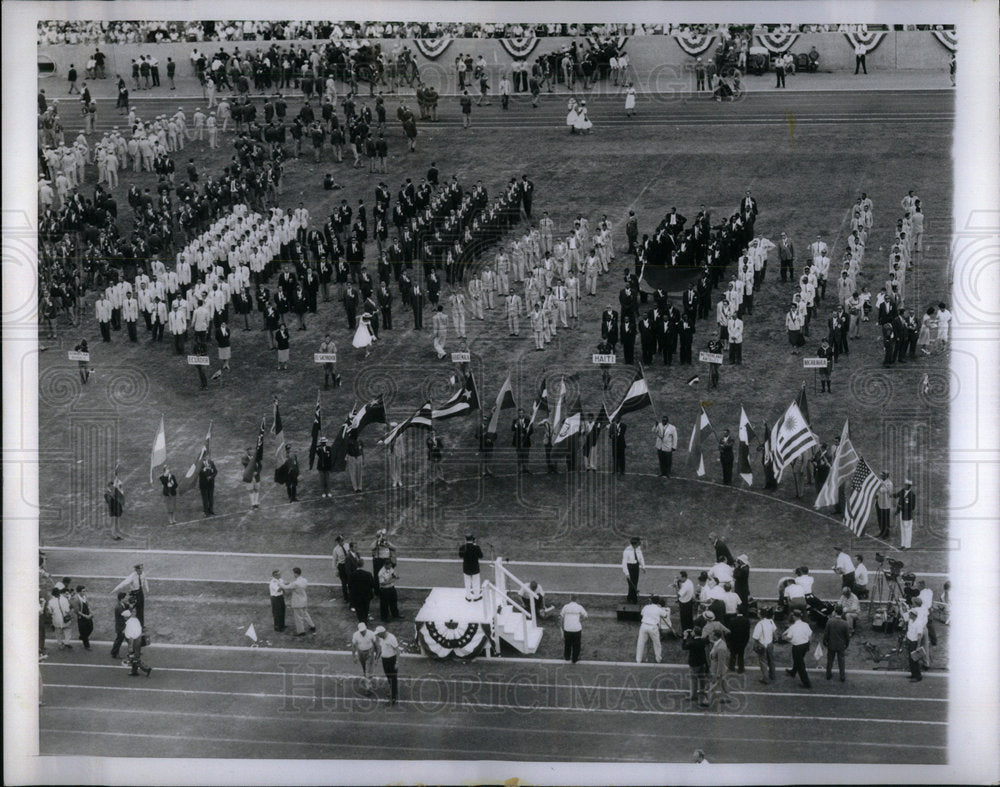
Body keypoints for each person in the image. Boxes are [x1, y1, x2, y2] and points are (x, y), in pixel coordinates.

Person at [280, 567, 316, 636]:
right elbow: (293, 584)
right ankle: (312, 626)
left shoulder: (295, 583)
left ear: (296, 574)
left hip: (297, 602)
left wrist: (280, 584)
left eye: (294, 573)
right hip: (304, 600)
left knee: (298, 618)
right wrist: (289, 583)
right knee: (305, 614)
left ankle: (301, 632)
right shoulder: (304, 580)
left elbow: (286, 587)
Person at [783, 610, 813, 688]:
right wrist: (809, 645)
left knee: (800, 664)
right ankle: (793, 672)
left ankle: (806, 683)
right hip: (805, 645)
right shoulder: (805, 624)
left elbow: (789, 637)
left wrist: (784, 638)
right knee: (798, 660)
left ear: (794, 616)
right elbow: (810, 635)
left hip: (797, 647)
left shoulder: (793, 627)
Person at [637, 595, 668, 663]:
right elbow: (665, 615)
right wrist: (661, 609)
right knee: (657, 643)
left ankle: (638, 659)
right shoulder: (658, 609)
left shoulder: (646, 607)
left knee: (641, 643)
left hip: (644, 625)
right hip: (653, 627)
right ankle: (658, 659)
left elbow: (642, 614)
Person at [823, 607, 851, 682]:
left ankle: (828, 674)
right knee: (841, 661)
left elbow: (826, 633)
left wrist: (825, 641)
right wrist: (847, 644)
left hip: (831, 644)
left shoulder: (830, 621)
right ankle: (842, 676)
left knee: (830, 660)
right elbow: (847, 636)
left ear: (835, 612)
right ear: (842, 613)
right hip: (841, 645)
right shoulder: (845, 623)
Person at [375, 626, 401, 705]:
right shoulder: (381, 638)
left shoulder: (391, 638)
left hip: (391, 660)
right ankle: (394, 692)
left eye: (378, 634)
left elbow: (398, 650)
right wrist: (377, 658)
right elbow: (380, 649)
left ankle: (393, 698)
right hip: (384, 660)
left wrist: (397, 662)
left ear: (382, 633)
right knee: (389, 677)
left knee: (393, 678)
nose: (377, 635)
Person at [751, 607, 777, 684]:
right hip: (770, 643)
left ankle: (765, 678)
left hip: (762, 644)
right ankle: (773, 675)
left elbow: (756, 637)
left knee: (763, 662)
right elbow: (774, 631)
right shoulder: (771, 621)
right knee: (771, 660)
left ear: (760, 615)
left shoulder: (759, 624)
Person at [123, 610, 152, 677]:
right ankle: (134, 671)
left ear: (126, 617)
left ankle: (146, 669)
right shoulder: (135, 620)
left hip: (134, 642)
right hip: (138, 640)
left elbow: (131, 637)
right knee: (134, 657)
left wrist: (130, 648)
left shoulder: (129, 624)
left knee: (134, 657)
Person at [559, 594, 587, 663]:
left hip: (567, 629)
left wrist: (561, 628)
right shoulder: (579, 607)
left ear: (570, 598)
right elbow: (586, 616)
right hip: (577, 629)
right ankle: (575, 658)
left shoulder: (565, 607)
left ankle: (567, 657)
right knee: (576, 645)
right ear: (577, 599)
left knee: (567, 644)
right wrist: (580, 620)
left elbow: (561, 618)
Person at [707, 629, 731, 707]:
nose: (710, 636)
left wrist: (718, 673)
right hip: (718, 668)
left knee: (713, 685)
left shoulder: (721, 648)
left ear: (715, 636)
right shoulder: (719, 643)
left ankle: (708, 700)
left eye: (712, 635)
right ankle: (728, 697)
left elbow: (721, 661)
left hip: (717, 669)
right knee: (723, 683)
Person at [352, 622, 378, 691]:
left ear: (366, 629)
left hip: (369, 651)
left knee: (368, 669)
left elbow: (375, 644)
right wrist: (354, 656)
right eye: (361, 631)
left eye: (363, 631)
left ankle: (368, 687)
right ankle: (368, 678)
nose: (362, 632)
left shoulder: (371, 634)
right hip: (360, 652)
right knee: (364, 667)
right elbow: (354, 646)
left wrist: (375, 654)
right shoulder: (356, 635)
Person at [349, 558, 376, 622]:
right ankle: (365, 619)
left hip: (357, 596)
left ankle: (361, 621)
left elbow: (350, 586)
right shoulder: (368, 574)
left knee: (359, 611)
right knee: (365, 610)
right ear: (363, 565)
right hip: (366, 596)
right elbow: (373, 585)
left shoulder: (352, 575)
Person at [459, 534, 484, 601]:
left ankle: (468, 597)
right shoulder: (476, 547)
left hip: (466, 568)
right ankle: (476, 597)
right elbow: (481, 556)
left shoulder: (462, 547)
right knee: (476, 583)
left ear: (466, 540)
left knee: (467, 583)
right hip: (475, 568)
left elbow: (460, 555)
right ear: (473, 540)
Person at [904, 608, 926, 682]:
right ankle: (913, 674)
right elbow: (909, 630)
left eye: (910, 614)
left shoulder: (918, 623)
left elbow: (919, 635)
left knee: (914, 659)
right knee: (910, 659)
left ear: (913, 615)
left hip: (914, 642)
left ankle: (918, 676)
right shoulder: (911, 621)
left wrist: (918, 646)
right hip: (909, 640)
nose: (909, 615)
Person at [622, 536, 645, 604]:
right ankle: (632, 598)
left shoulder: (638, 549)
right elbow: (624, 563)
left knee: (635, 583)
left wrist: (643, 567)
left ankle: (630, 597)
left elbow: (640, 558)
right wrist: (627, 573)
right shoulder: (627, 550)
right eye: (637, 545)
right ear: (633, 544)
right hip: (630, 567)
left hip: (636, 567)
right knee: (631, 584)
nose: (638, 546)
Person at [895, 478, 916, 549]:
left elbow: (912, 507)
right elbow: (896, 495)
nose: (905, 486)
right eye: (905, 484)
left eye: (906, 485)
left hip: (908, 515)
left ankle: (908, 545)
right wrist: (890, 494)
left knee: (907, 530)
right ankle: (903, 544)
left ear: (910, 486)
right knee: (902, 530)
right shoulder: (902, 491)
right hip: (902, 514)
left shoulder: (912, 495)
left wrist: (902, 507)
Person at [70, 585, 94, 649]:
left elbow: (88, 605)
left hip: (87, 614)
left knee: (91, 628)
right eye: (83, 591)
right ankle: (87, 645)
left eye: (85, 591)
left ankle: (82, 637)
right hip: (81, 617)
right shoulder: (76, 599)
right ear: (79, 592)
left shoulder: (84, 596)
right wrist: (85, 616)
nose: (85, 592)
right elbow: (77, 611)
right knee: (84, 631)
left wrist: (91, 612)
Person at [512, 409, 534, 473]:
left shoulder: (528, 421)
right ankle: (519, 469)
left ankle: (526, 468)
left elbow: (531, 431)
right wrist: (515, 425)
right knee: (519, 455)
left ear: (524, 413)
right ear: (518, 414)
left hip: (526, 440)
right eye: (519, 413)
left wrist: (526, 431)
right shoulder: (515, 421)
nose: (521, 414)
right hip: (518, 441)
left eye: (522, 413)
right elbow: (512, 429)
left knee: (526, 455)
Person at [875, 472, 894, 538]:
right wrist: (876, 494)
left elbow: (884, 491)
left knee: (886, 519)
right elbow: (877, 491)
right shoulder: (880, 481)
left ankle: (886, 534)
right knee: (880, 518)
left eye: (882, 476)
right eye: (881, 475)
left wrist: (879, 487)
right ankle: (881, 531)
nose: (881, 476)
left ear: (886, 476)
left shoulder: (889, 483)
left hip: (886, 504)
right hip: (879, 502)